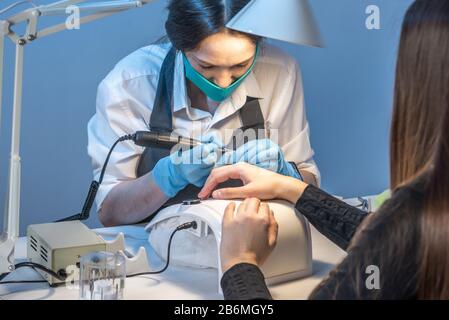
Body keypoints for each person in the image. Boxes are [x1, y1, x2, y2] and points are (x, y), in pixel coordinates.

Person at [198, 0, 449, 300]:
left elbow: (401, 238)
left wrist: (239, 265)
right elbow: (395, 244)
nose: (224, 82)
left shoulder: (415, 215)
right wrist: (293, 188)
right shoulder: (418, 223)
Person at [87, 0, 319, 227]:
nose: (223, 83)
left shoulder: (280, 72)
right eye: (206, 66)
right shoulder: (129, 85)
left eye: (240, 66)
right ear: (180, 46)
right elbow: (110, 212)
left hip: (255, 241)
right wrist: (168, 175)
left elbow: (310, 186)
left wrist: (285, 173)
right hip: (153, 253)